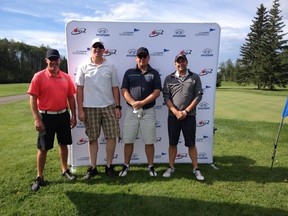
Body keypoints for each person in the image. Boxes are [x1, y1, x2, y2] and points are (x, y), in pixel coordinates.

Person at [28, 49, 77, 191]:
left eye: (56, 59)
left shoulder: (66, 77)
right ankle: (39, 176)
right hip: (46, 117)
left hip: (63, 115)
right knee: (43, 148)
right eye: (51, 59)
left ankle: (64, 170)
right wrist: (37, 118)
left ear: (60, 60)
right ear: (46, 60)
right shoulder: (38, 77)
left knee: (63, 144)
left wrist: (73, 115)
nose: (54, 61)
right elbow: (33, 98)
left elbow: (70, 98)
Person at [75, 38, 121, 179]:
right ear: (91, 48)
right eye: (95, 46)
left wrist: (118, 106)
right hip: (90, 108)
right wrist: (80, 110)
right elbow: (79, 89)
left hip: (108, 107)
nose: (98, 49)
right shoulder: (83, 67)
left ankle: (109, 166)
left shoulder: (110, 67)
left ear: (104, 50)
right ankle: (93, 167)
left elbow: (115, 88)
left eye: (100, 47)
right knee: (93, 139)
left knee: (112, 137)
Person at [119, 47, 162, 177]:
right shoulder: (129, 72)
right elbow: (124, 90)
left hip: (148, 111)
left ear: (148, 58)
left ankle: (151, 166)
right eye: (140, 56)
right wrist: (133, 103)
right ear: (136, 58)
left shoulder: (154, 73)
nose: (142, 58)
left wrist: (142, 103)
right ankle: (126, 165)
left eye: (144, 56)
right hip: (131, 110)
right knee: (128, 140)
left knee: (149, 141)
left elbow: (157, 92)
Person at [162, 53, 204, 181]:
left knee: (191, 144)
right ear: (175, 64)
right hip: (173, 117)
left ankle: (196, 168)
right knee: (172, 143)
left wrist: (185, 111)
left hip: (189, 116)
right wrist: (175, 111)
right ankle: (171, 167)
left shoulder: (194, 77)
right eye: (178, 62)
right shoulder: (169, 78)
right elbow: (166, 97)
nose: (181, 64)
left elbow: (198, 96)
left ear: (187, 62)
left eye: (183, 61)